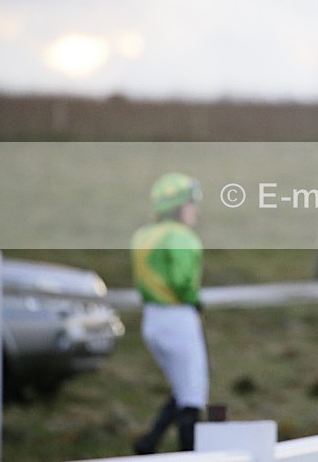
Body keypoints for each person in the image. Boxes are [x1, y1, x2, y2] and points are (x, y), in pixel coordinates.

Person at [131, 172, 208, 454]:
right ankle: (191, 455)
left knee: (182, 389)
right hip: (178, 319)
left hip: (152, 320)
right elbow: (183, 282)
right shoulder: (182, 236)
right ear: (177, 206)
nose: (194, 210)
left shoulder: (143, 235)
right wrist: (196, 300)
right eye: (190, 204)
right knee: (192, 397)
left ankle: (149, 443)